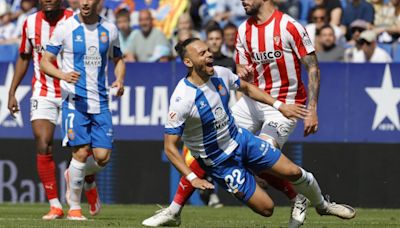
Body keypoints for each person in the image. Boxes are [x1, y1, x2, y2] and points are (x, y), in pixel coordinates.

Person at [144, 38, 356, 227]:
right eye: (202, 53)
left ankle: (322, 205)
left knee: (293, 172)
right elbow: (169, 147)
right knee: (266, 209)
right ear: (188, 62)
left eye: (209, 51)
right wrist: (191, 177)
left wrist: (279, 106)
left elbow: (247, 88)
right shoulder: (182, 100)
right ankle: (174, 212)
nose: (209, 55)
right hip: (220, 162)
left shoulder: (221, 73)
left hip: (241, 140)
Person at [39, 0, 126, 220]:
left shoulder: (110, 29)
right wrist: (62, 75)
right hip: (74, 100)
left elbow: (118, 58)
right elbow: (45, 62)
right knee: (79, 152)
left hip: (101, 101)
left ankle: (74, 174)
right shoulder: (65, 28)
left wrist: (120, 79)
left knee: (102, 157)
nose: (86, 2)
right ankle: (75, 208)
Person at [7, 0, 76, 220]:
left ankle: (88, 186)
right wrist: (12, 92)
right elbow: (24, 57)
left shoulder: (73, 19)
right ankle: (55, 205)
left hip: (72, 91)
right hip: (43, 91)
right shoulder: (29, 22)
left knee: (84, 150)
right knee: (43, 142)